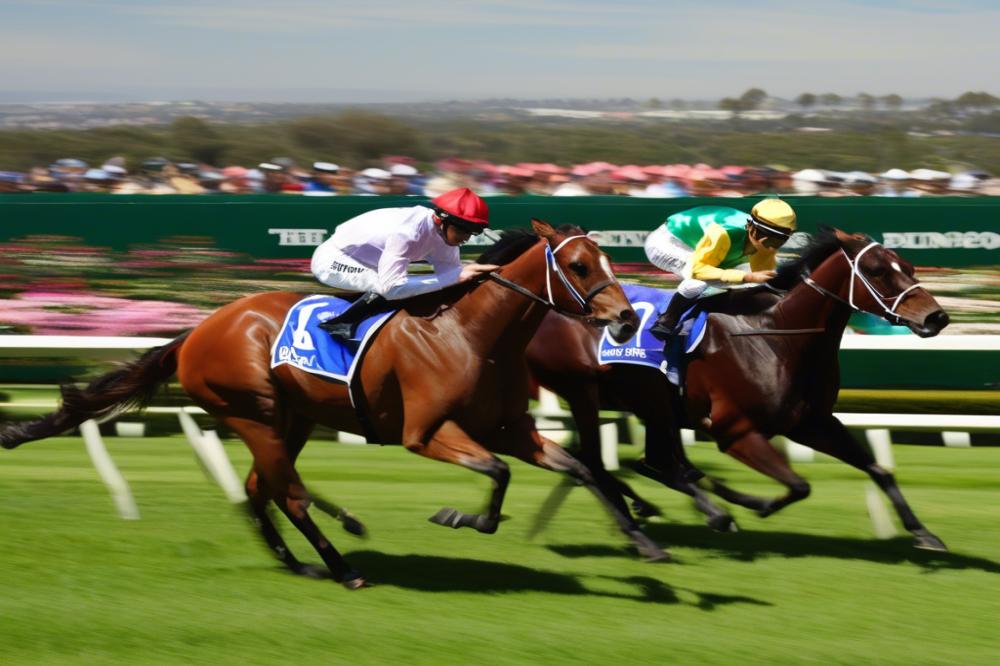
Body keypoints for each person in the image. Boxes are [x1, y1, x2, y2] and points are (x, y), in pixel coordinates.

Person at [311, 187, 500, 339]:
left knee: (415, 285)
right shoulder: (407, 233)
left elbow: (452, 276)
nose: (465, 239)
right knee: (388, 286)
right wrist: (456, 276)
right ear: (441, 219)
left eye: (471, 233)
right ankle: (340, 323)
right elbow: (392, 288)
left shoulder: (444, 235)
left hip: (368, 263)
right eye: (462, 232)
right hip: (333, 260)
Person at [645, 198, 797, 339]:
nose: (769, 245)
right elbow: (699, 270)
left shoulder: (766, 245)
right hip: (669, 242)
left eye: (778, 240)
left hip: (712, 250)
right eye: (766, 236)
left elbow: (764, 279)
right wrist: (746, 277)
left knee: (749, 282)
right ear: (750, 226)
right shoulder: (724, 232)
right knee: (700, 281)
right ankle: (668, 319)